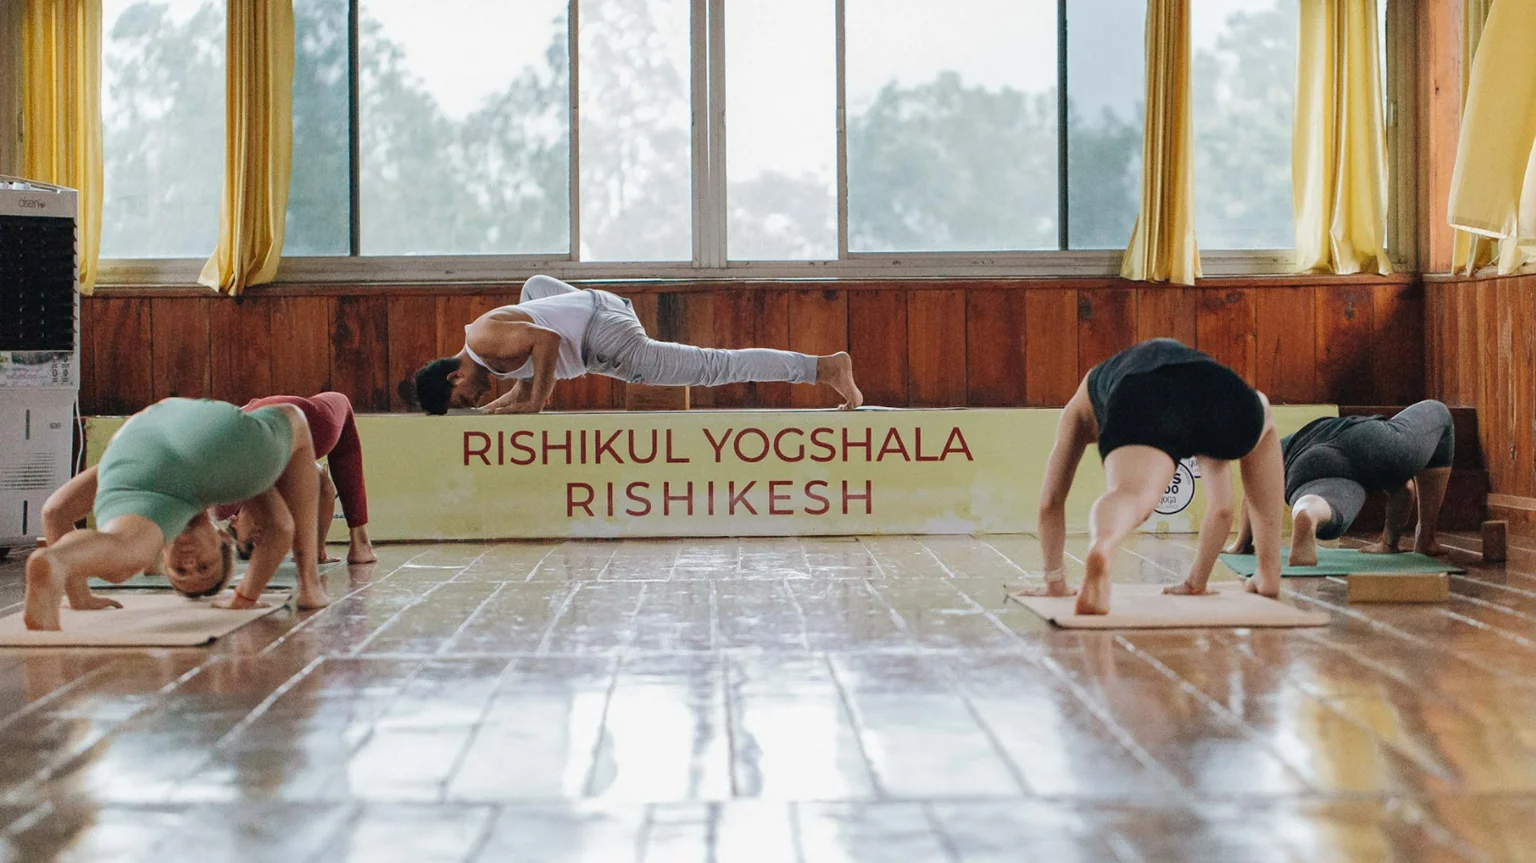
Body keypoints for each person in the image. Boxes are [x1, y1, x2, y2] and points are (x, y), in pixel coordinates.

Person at [1014, 338, 1287, 614]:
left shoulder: (1080, 405)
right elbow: (1222, 508)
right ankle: (1268, 572)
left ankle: (1103, 545)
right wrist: (1195, 583)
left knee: (1132, 494)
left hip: (1142, 389)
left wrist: (1054, 581)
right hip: (1217, 386)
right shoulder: (1183, 372)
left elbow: (1050, 501)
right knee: (1264, 419)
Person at [23, 398, 330, 630]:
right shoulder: (230, 475)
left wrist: (79, 595)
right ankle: (310, 585)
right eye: (205, 567)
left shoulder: (152, 493)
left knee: (123, 552)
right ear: (223, 538)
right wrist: (245, 598)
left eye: (180, 571)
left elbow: (55, 512)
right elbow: (279, 527)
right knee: (294, 419)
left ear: (164, 554)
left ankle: (58, 559)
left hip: (136, 440)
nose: (190, 563)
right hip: (206, 435)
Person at [412, 274, 862, 415]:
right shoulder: (489, 345)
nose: (473, 401)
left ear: (455, 376)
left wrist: (533, 403)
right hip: (603, 309)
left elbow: (546, 341)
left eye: (463, 398)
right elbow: (531, 352)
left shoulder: (484, 338)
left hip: (608, 340)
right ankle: (822, 368)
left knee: (714, 367)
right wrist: (512, 400)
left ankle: (823, 368)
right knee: (534, 287)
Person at [1225, 400, 1454, 565]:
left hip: (1306, 464)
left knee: (1323, 503)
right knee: (1439, 412)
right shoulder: (1327, 431)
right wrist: (1389, 543)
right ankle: (1426, 539)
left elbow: (1255, 486)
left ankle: (1307, 512)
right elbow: (1406, 490)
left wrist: (1241, 543)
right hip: (1366, 438)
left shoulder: (1284, 448)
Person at [217, 392, 376, 565]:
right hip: (297, 420)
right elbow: (324, 487)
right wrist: (317, 552)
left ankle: (359, 543)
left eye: (251, 543)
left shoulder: (226, 502)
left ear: (234, 522)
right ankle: (359, 542)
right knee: (341, 407)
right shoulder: (276, 509)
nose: (262, 538)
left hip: (257, 417)